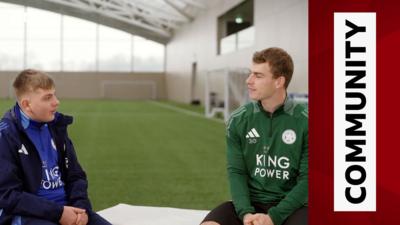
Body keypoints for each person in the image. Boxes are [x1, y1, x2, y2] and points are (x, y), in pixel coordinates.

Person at [201, 47, 308, 225]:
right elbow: (237, 172)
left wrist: (274, 217)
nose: (248, 81)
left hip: (293, 208)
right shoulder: (238, 120)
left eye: (258, 76)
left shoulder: (306, 122)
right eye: (251, 74)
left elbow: (308, 181)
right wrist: (245, 213)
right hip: (251, 206)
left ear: (279, 81)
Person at [0, 69, 111, 225]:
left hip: (68, 209)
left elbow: (76, 176)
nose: (56, 102)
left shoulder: (57, 127)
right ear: (27, 104)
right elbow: (7, 195)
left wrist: (81, 208)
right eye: (47, 97)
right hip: (29, 215)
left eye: (54, 94)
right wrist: (59, 213)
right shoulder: (6, 135)